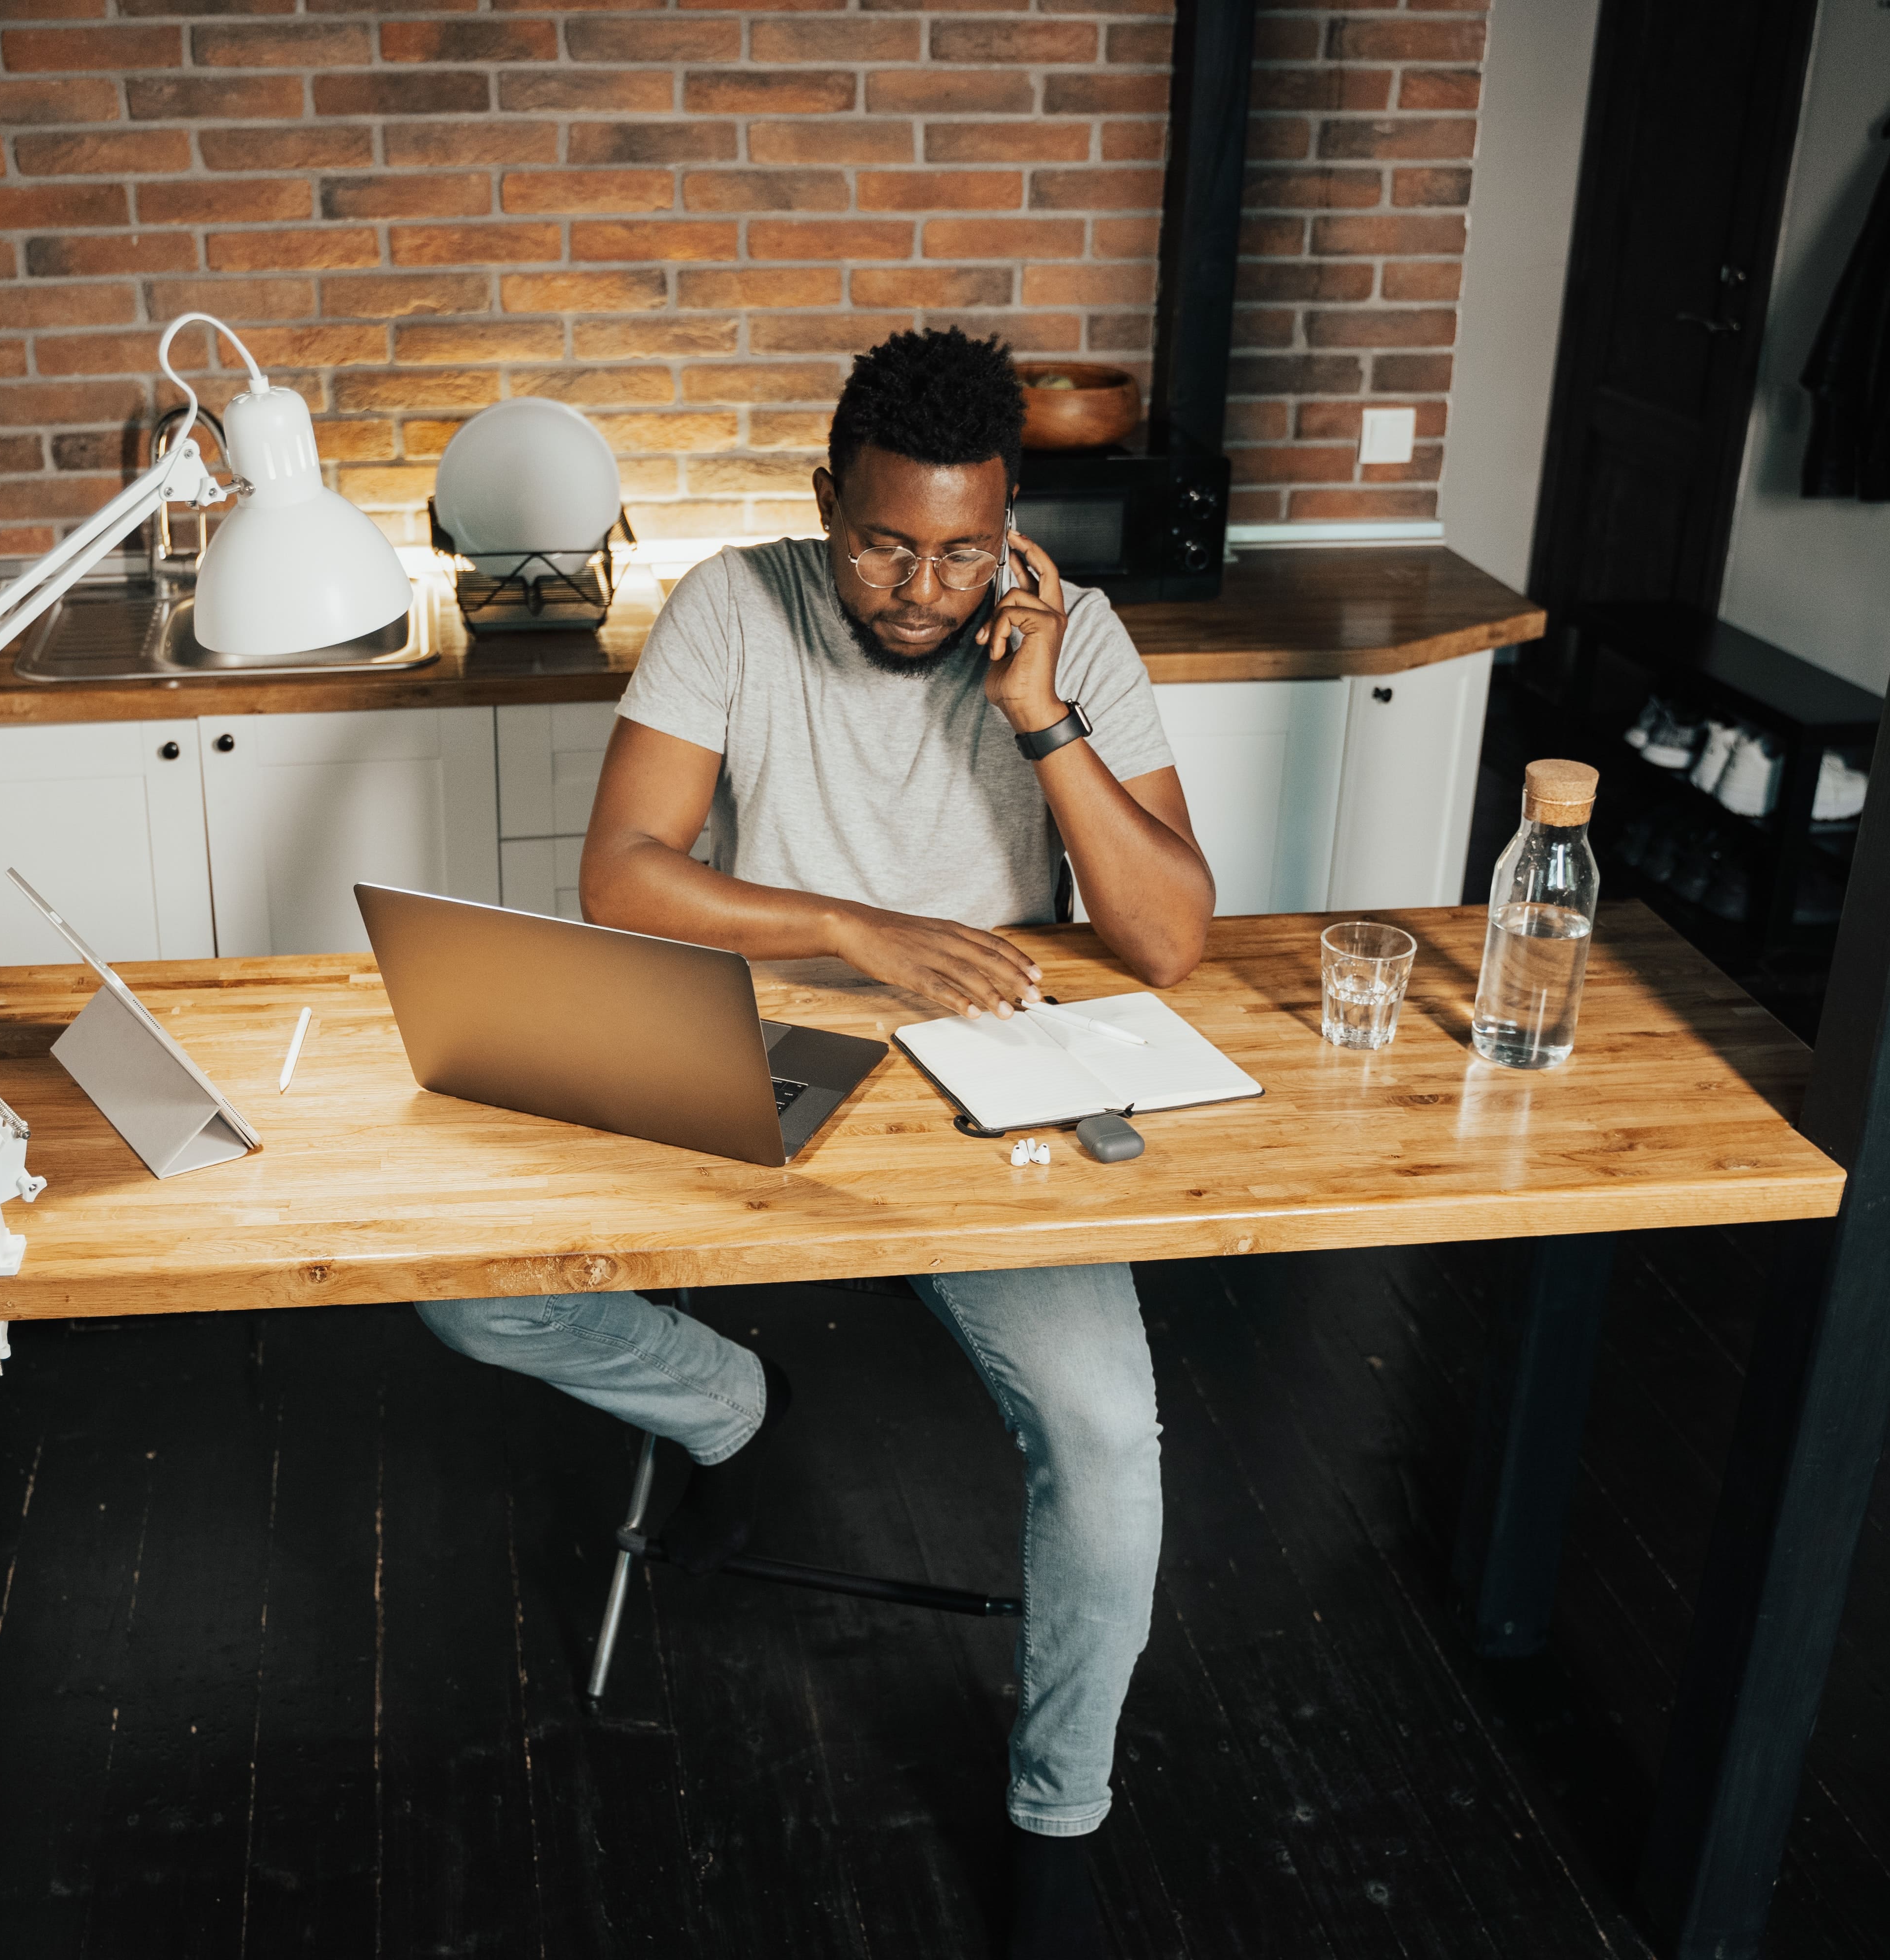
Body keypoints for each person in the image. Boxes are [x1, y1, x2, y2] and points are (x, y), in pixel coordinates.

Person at [415, 327, 1215, 1959]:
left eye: (961, 551)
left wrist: (1045, 720)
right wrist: (862, 927)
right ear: (822, 503)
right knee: (468, 1291)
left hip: (1000, 1071)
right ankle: (726, 1401)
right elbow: (623, 877)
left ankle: (1059, 1814)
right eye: (881, 542)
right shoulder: (735, 601)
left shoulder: (1078, 639)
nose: (920, 587)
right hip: (761, 1044)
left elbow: (1173, 939)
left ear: (1009, 531)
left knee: (1109, 1441)